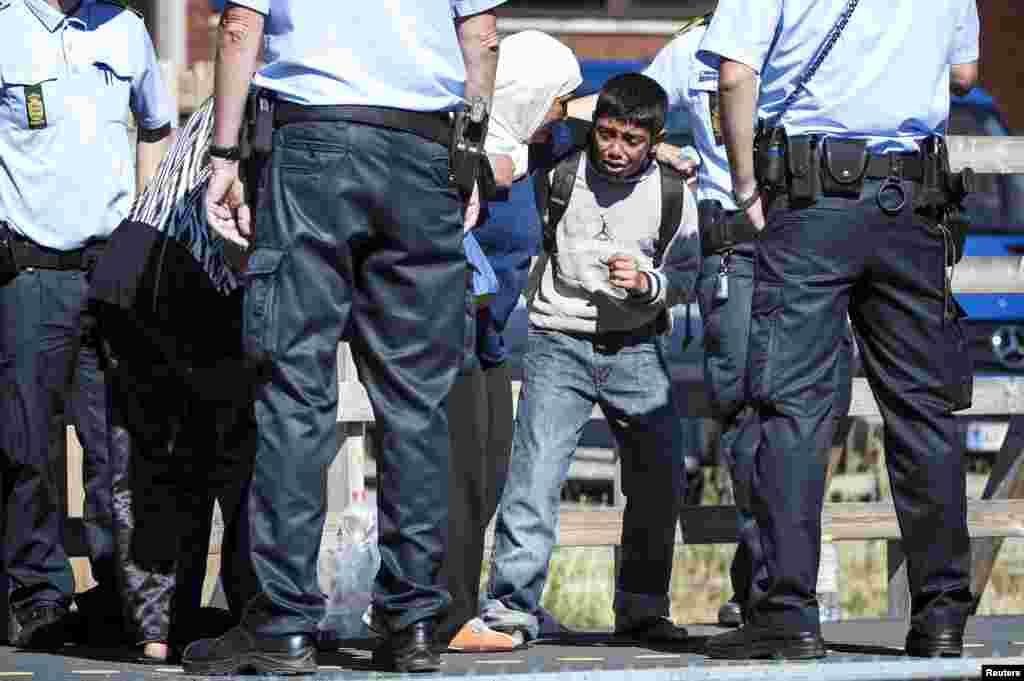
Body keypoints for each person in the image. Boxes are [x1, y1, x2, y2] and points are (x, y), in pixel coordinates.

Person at [181, 1, 503, 675]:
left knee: (295, 389)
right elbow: (481, 37)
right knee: (417, 400)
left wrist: (223, 154)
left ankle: (284, 624)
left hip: (311, 143)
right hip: (423, 149)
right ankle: (415, 621)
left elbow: (240, 27)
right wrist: (469, 152)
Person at [698, 0, 979, 660]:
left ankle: (787, 613)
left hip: (810, 197)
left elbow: (736, 75)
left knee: (792, 408)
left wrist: (744, 184)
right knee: (923, 410)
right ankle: (940, 614)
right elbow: (964, 72)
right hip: (912, 200)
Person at [638, 13, 855, 629]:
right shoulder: (693, 48)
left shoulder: (816, 29)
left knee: (811, 410)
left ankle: (775, 578)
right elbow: (615, 107)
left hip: (815, 243)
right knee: (743, 411)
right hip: (736, 250)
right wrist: (659, 146)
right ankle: (769, 581)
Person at [481, 73, 699, 644]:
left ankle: (643, 608)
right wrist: (586, 117)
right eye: (606, 133)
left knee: (658, 480)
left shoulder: (673, 192)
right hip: (559, 341)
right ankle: (510, 608)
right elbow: (538, 108)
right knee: (534, 476)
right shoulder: (560, 171)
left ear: (654, 140)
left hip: (638, 348)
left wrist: (650, 283)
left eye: (632, 139)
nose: (616, 149)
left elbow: (687, 274)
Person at [0, 0, 172, 649]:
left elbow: (157, 126)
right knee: (27, 446)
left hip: (111, 272)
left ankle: (114, 591)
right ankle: (39, 595)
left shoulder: (125, 31)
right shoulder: (5, 28)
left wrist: (144, 225)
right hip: (29, 271)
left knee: (114, 445)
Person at [86, 96, 257, 663]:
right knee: (230, 459)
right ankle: (247, 614)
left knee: (155, 459)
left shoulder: (245, 82)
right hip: (179, 275)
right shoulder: (287, 93)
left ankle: (160, 625)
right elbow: (245, 234)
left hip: (136, 260)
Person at [439, 29, 582, 653]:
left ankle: (469, 605)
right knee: (456, 474)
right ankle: (441, 612)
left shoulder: (526, 148)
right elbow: (482, 169)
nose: (557, 119)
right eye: (554, 102)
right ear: (525, 94)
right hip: (452, 337)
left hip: (490, 339)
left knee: (490, 475)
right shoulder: (468, 151)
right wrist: (513, 160)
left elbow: (587, 124)